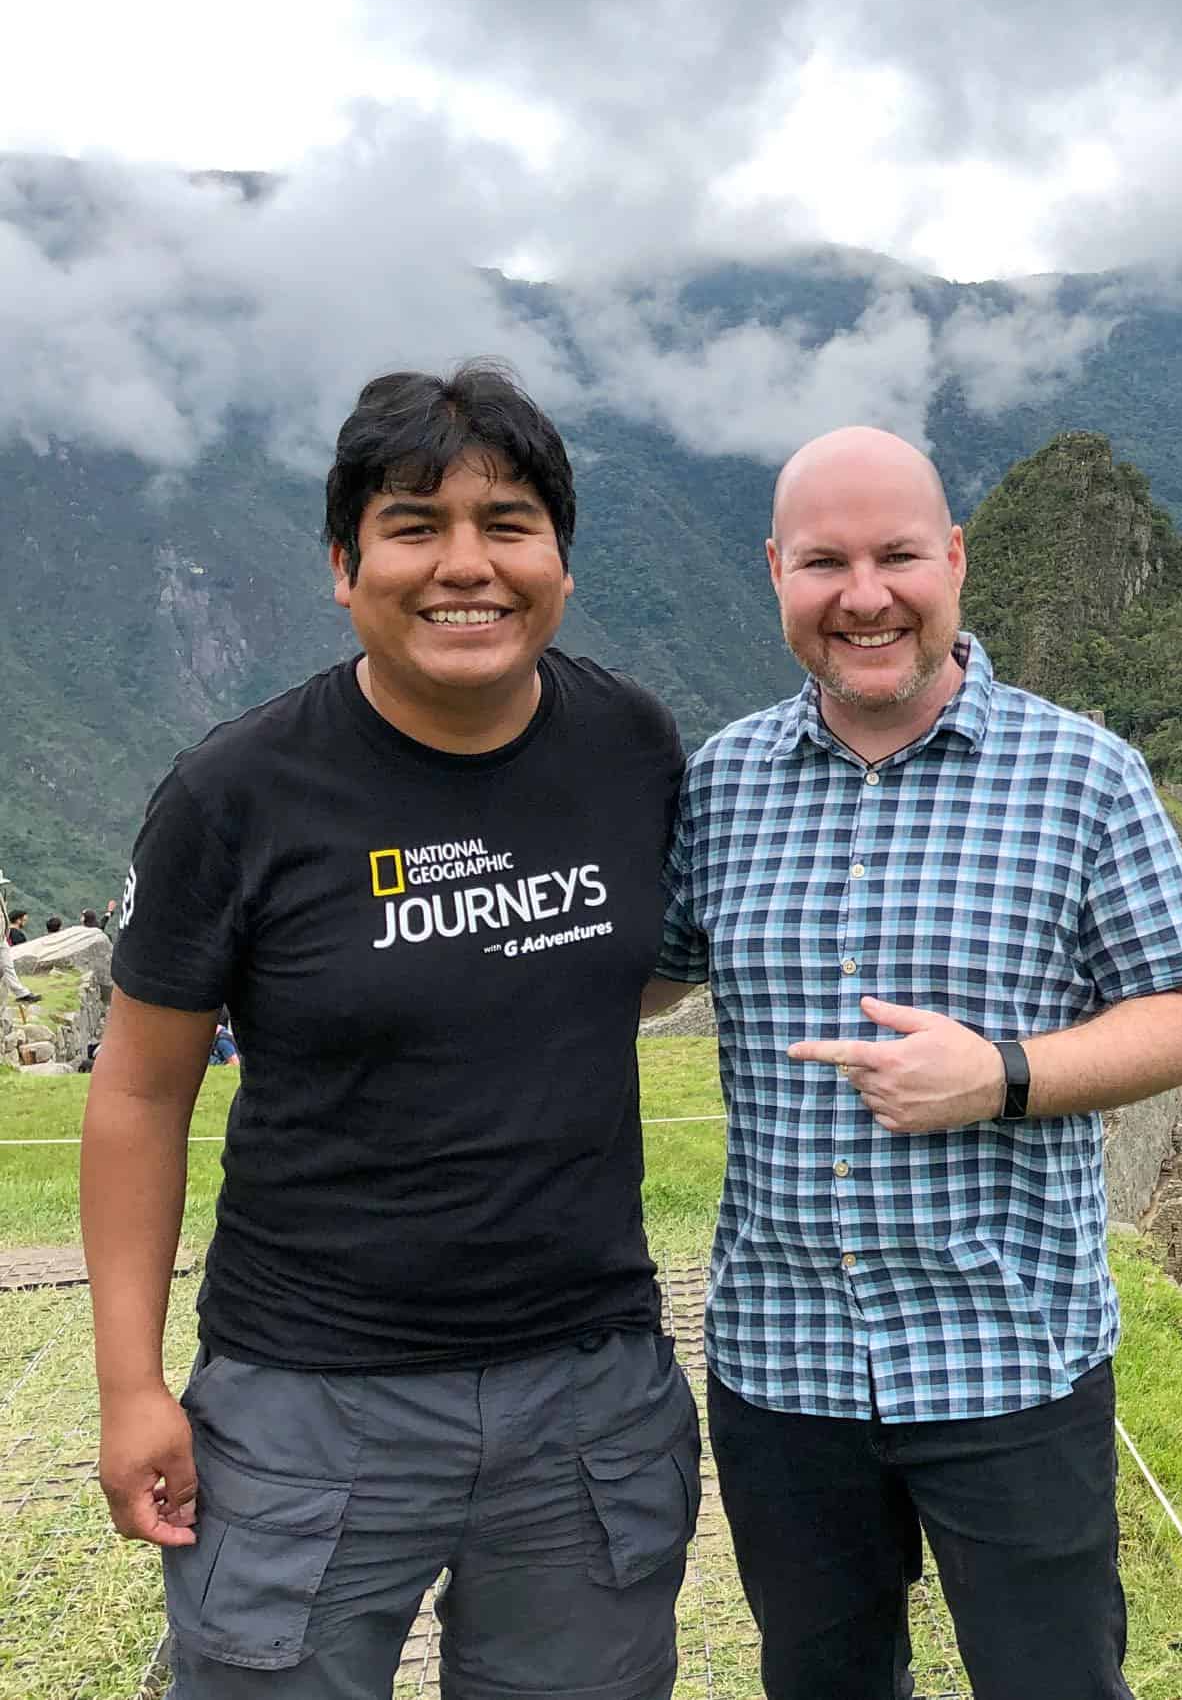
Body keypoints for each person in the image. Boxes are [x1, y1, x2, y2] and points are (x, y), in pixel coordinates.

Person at [82, 362, 695, 1700]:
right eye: (417, 524)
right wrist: (132, 1384)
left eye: (509, 523)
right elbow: (137, 1093)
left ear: (563, 561)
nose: (465, 563)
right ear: (345, 563)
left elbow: (625, 975)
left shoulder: (630, 745)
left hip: (584, 1391)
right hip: (306, 1401)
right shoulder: (235, 793)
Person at [651, 427, 1182, 1700]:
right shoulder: (722, 786)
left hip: (1008, 1352)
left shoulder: (1082, 777)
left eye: (897, 555)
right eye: (824, 563)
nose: (865, 596)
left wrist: (1004, 1075)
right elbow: (635, 972)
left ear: (954, 559)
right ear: (775, 574)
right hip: (783, 1358)